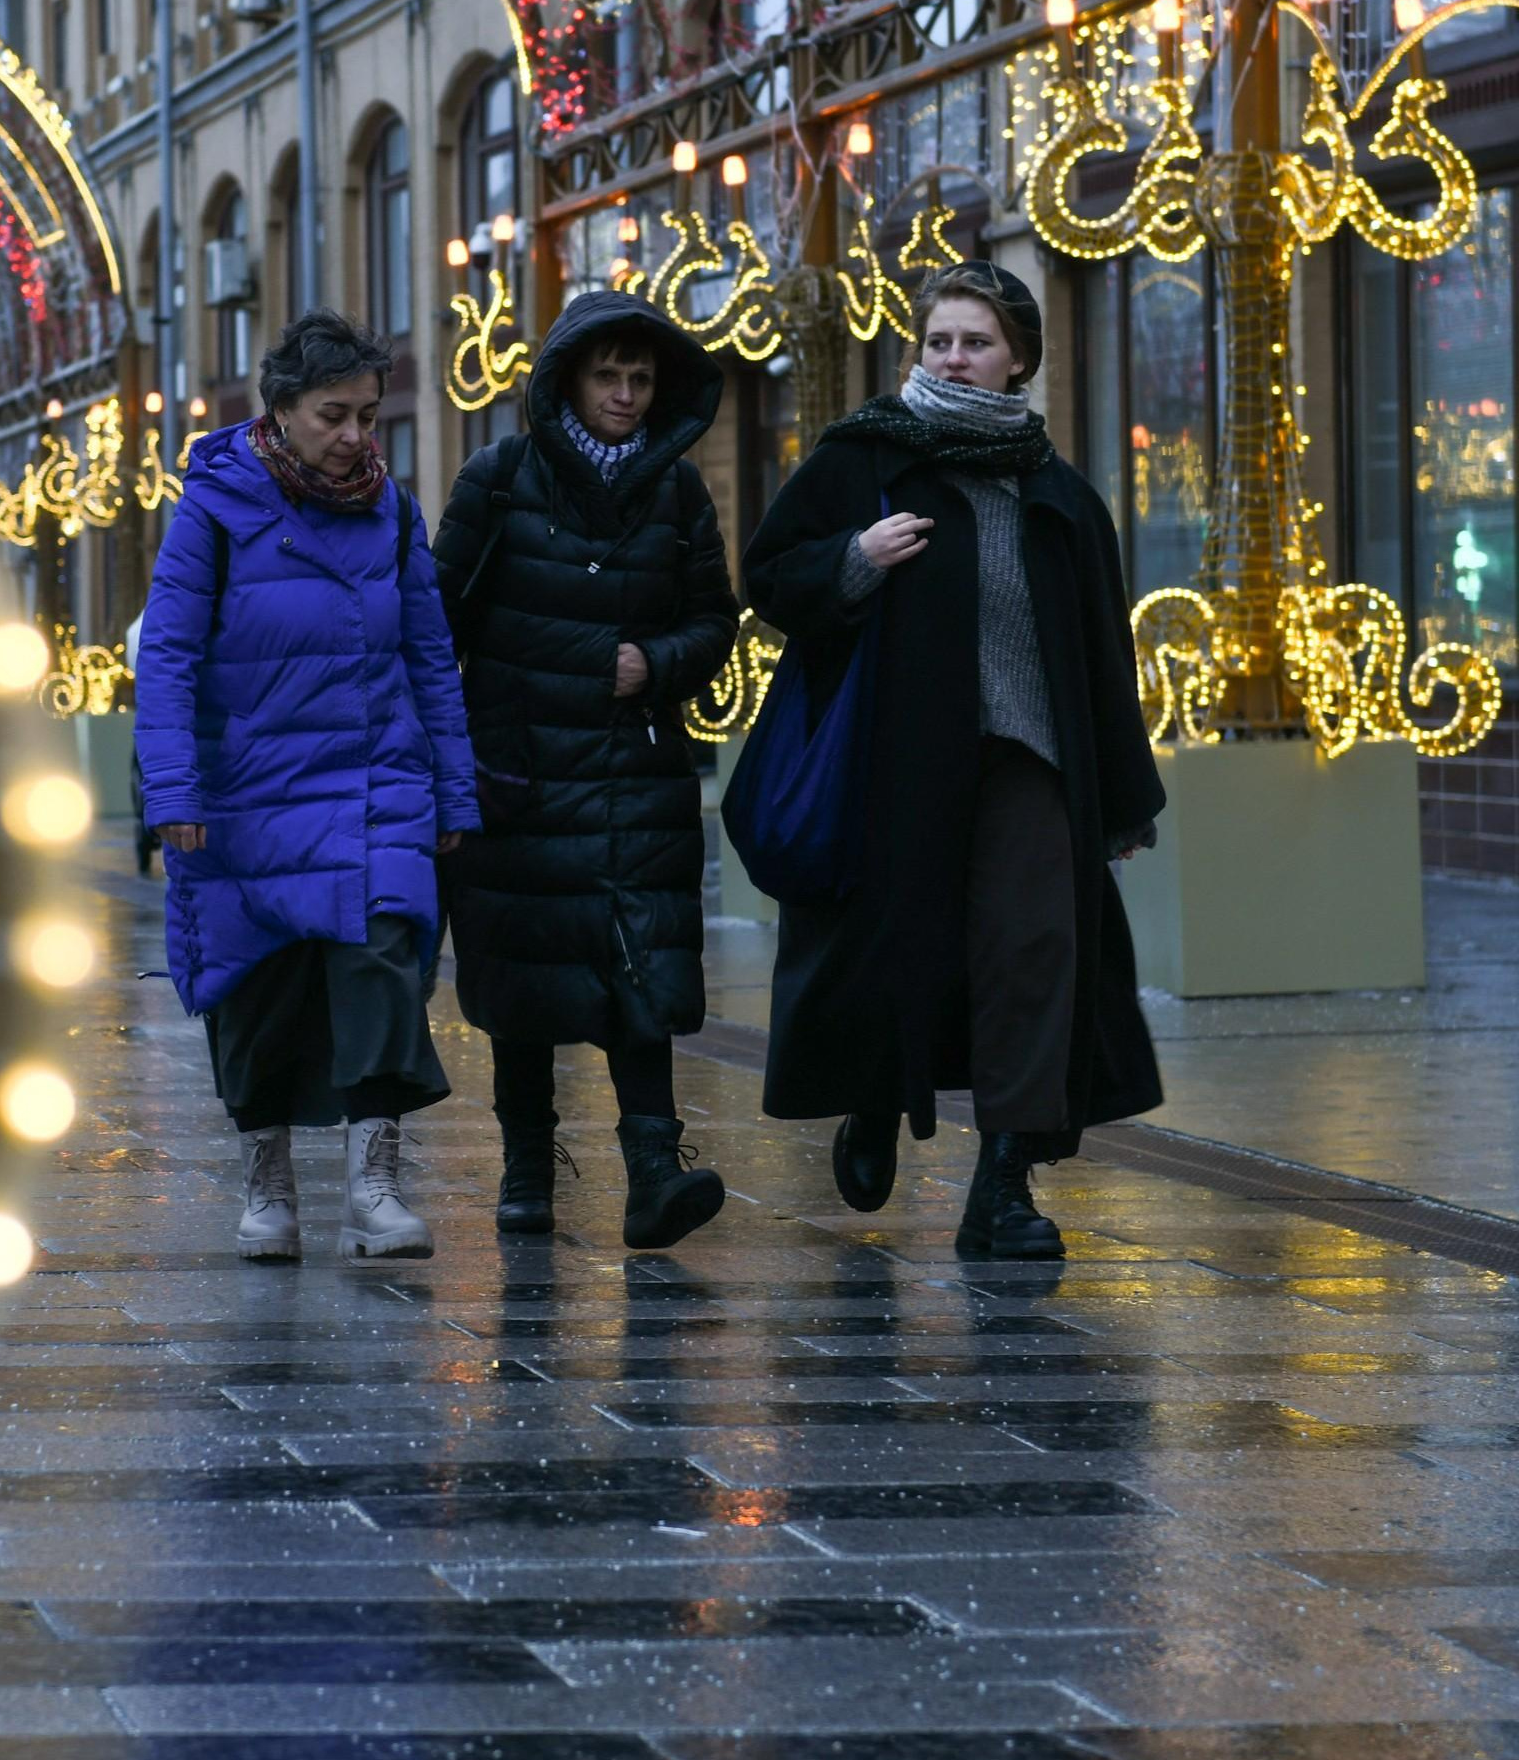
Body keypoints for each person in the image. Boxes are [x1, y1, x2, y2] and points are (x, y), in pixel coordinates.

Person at [739, 260, 1168, 1260]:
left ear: (1018, 358)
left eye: (976, 342)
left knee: (1033, 957)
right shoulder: (864, 459)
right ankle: (871, 1102)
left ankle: (1004, 1186)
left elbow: (1102, 652)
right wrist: (852, 561)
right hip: (894, 766)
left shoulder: (1058, 494)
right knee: (895, 952)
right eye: (938, 341)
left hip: (1029, 766)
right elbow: (769, 576)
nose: (955, 359)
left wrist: (1120, 796)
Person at [136, 310, 479, 1264]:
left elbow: (429, 657)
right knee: (258, 984)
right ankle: (268, 1181)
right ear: (279, 408)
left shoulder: (395, 512)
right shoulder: (213, 509)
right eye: (335, 414)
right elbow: (165, 657)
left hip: (376, 784)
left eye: (369, 416)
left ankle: (374, 1185)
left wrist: (453, 792)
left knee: (383, 967)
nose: (355, 436)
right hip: (248, 790)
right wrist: (174, 791)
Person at [435, 289, 738, 1249]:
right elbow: (438, 619)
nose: (625, 394)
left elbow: (714, 619)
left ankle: (655, 1167)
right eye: (607, 374)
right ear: (566, 377)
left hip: (637, 772)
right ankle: (529, 1169)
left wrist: (659, 662)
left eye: (642, 377)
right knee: (526, 974)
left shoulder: (679, 490)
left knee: (638, 967)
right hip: (520, 776)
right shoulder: (499, 477)